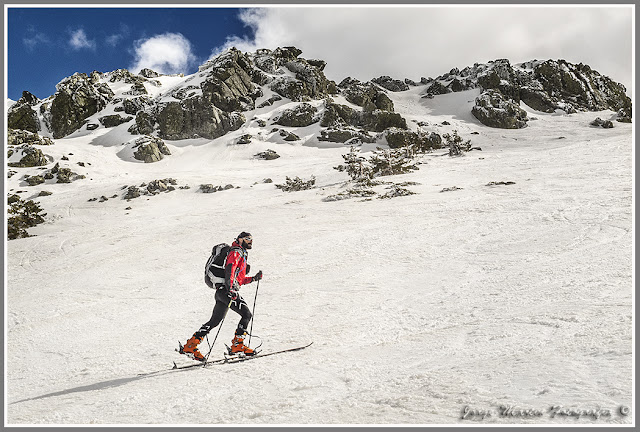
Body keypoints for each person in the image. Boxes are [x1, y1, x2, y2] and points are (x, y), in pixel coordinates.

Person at [182, 232, 263, 361]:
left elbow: (238, 279)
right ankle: (237, 346)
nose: (251, 241)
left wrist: (253, 279)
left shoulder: (240, 253)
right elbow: (230, 269)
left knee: (214, 321)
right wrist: (230, 288)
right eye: (248, 239)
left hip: (221, 292)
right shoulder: (236, 251)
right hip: (226, 291)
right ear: (240, 240)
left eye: (252, 239)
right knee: (246, 315)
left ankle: (191, 345)